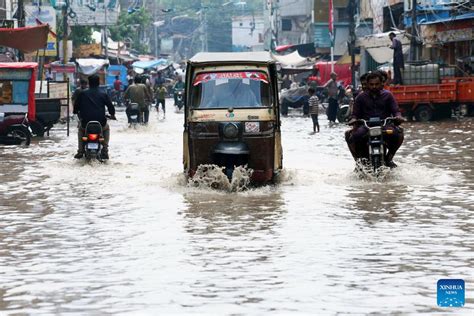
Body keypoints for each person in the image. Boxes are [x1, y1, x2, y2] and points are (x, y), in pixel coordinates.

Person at [345, 72, 404, 167]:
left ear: (381, 84)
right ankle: (358, 161)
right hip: (366, 127)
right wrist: (353, 119)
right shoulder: (360, 97)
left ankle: (389, 158)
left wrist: (398, 117)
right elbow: (355, 114)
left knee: (400, 133)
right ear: (367, 85)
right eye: (371, 84)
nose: (374, 87)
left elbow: (396, 110)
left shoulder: (388, 95)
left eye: (376, 84)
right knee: (352, 137)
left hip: (385, 126)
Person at [73, 74, 116, 160]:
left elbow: (75, 108)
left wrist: (76, 112)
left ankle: (80, 151)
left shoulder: (82, 94)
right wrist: (112, 115)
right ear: (98, 83)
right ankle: (105, 149)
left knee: (80, 131)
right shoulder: (103, 94)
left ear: (89, 83)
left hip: (85, 124)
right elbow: (111, 107)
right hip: (101, 123)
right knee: (106, 128)